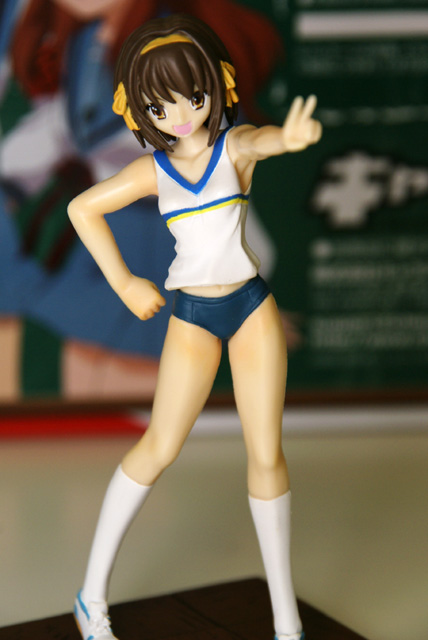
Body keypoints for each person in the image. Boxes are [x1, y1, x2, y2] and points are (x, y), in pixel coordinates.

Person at [68, 14, 321, 640]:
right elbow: (83, 208)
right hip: (193, 318)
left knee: (266, 454)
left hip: (251, 309)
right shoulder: (152, 172)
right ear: (139, 109)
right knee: (158, 447)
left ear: (217, 86)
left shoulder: (232, 149)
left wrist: (287, 139)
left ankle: (286, 619)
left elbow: (260, 141)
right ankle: (90, 596)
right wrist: (125, 282)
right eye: (161, 105)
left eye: (193, 96)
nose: (180, 115)